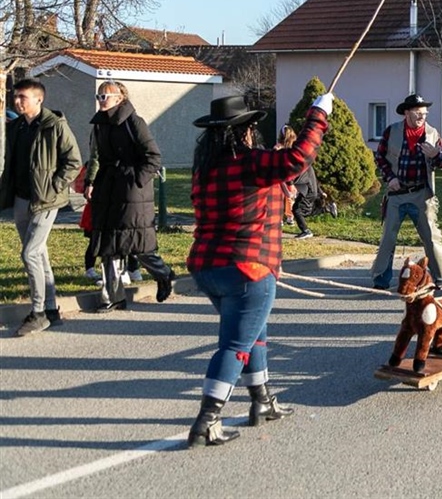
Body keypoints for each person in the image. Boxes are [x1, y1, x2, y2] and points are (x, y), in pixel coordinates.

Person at [185, 92, 332, 447]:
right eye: (251, 128)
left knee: (254, 336)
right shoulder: (250, 162)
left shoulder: (205, 168)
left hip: (208, 266)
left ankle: (262, 401)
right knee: (236, 345)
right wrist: (318, 115)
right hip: (249, 269)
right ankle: (207, 421)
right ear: (244, 132)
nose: (254, 133)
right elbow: (300, 158)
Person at [83, 80, 176, 311]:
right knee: (108, 245)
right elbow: (96, 156)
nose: (101, 100)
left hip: (132, 192)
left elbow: (153, 156)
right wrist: (91, 181)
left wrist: (136, 180)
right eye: (99, 96)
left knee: (138, 244)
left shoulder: (134, 122)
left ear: (119, 98)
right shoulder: (99, 125)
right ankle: (113, 297)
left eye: (106, 96)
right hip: (108, 189)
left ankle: (163, 274)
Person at [0, 78, 82, 335]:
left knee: (30, 254)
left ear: (39, 99)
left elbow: (73, 161)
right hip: (21, 199)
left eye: (22, 97)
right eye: (15, 96)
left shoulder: (54, 125)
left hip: (46, 200)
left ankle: (37, 313)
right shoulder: (15, 128)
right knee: (39, 254)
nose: (17, 101)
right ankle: (50, 310)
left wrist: (55, 186)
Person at [371, 93, 442, 289]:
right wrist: (390, 178)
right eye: (417, 112)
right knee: (388, 238)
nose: (421, 116)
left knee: (431, 237)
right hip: (396, 195)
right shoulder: (392, 131)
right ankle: (381, 279)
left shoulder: (432, 133)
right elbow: (380, 157)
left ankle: (439, 277)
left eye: (424, 113)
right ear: (406, 113)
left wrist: (436, 154)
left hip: (421, 194)